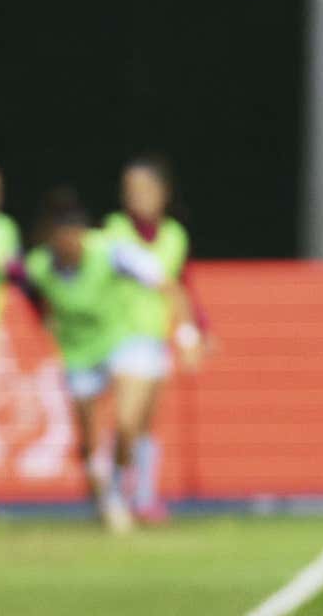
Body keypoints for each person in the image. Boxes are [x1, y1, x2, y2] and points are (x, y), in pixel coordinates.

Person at [18, 191, 179, 533]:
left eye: (74, 237)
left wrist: (188, 328)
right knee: (89, 442)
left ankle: (123, 488)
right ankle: (106, 500)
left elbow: (160, 278)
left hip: (118, 345)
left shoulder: (110, 251)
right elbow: (26, 289)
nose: (69, 245)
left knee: (126, 424)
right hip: (78, 356)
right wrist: (43, 318)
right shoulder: (39, 265)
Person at [101, 157, 207, 526]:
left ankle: (144, 497)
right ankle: (114, 492)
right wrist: (188, 330)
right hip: (122, 338)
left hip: (156, 339)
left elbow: (183, 285)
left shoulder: (175, 235)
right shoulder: (114, 230)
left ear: (163, 194)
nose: (138, 196)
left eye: (146, 188)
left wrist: (194, 333)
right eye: (131, 189)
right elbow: (154, 275)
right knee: (126, 423)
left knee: (145, 425)